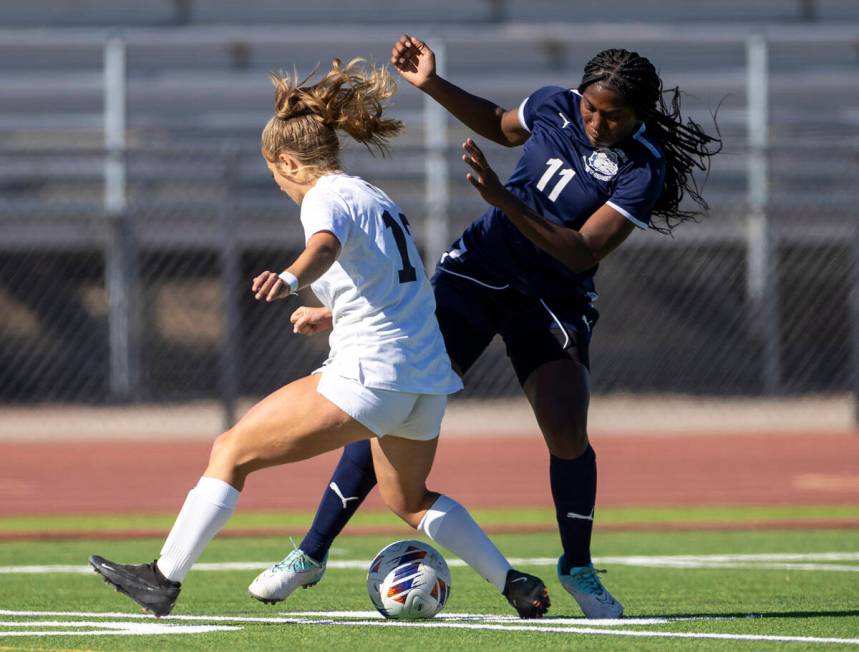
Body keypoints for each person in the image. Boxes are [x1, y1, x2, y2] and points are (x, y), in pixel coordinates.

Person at [248, 36, 722, 619]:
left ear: (639, 114)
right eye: (591, 108)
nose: (596, 121)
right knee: (389, 403)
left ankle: (577, 567)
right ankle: (310, 553)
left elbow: (580, 251)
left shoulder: (645, 167)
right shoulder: (555, 103)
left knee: (568, 433)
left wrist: (503, 197)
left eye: (613, 115)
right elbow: (501, 124)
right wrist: (431, 84)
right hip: (476, 273)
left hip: (553, 298)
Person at [88, 57, 551, 620]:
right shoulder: (374, 197)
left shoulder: (324, 197)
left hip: (369, 376)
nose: (280, 187)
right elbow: (394, 286)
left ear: (288, 160)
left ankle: (163, 577)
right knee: (408, 500)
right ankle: (514, 582)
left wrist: (289, 278)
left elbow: (325, 248)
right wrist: (327, 315)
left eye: (276, 175)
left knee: (229, 452)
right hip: (425, 382)